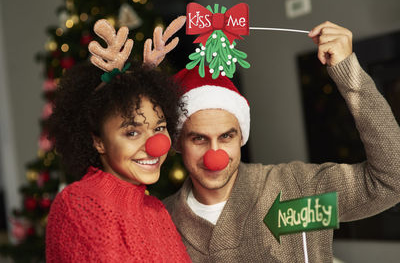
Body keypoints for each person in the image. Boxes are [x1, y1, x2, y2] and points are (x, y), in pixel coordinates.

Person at [163, 21, 400, 262]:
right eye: (199, 139)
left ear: (241, 136)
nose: (215, 154)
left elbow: (391, 181)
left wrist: (350, 75)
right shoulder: (160, 220)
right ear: (178, 142)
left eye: (226, 136)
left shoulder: (299, 191)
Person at [46, 18, 191, 262]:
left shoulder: (157, 211)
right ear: (98, 141)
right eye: (132, 132)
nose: (154, 145)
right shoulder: (78, 204)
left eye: (159, 127)